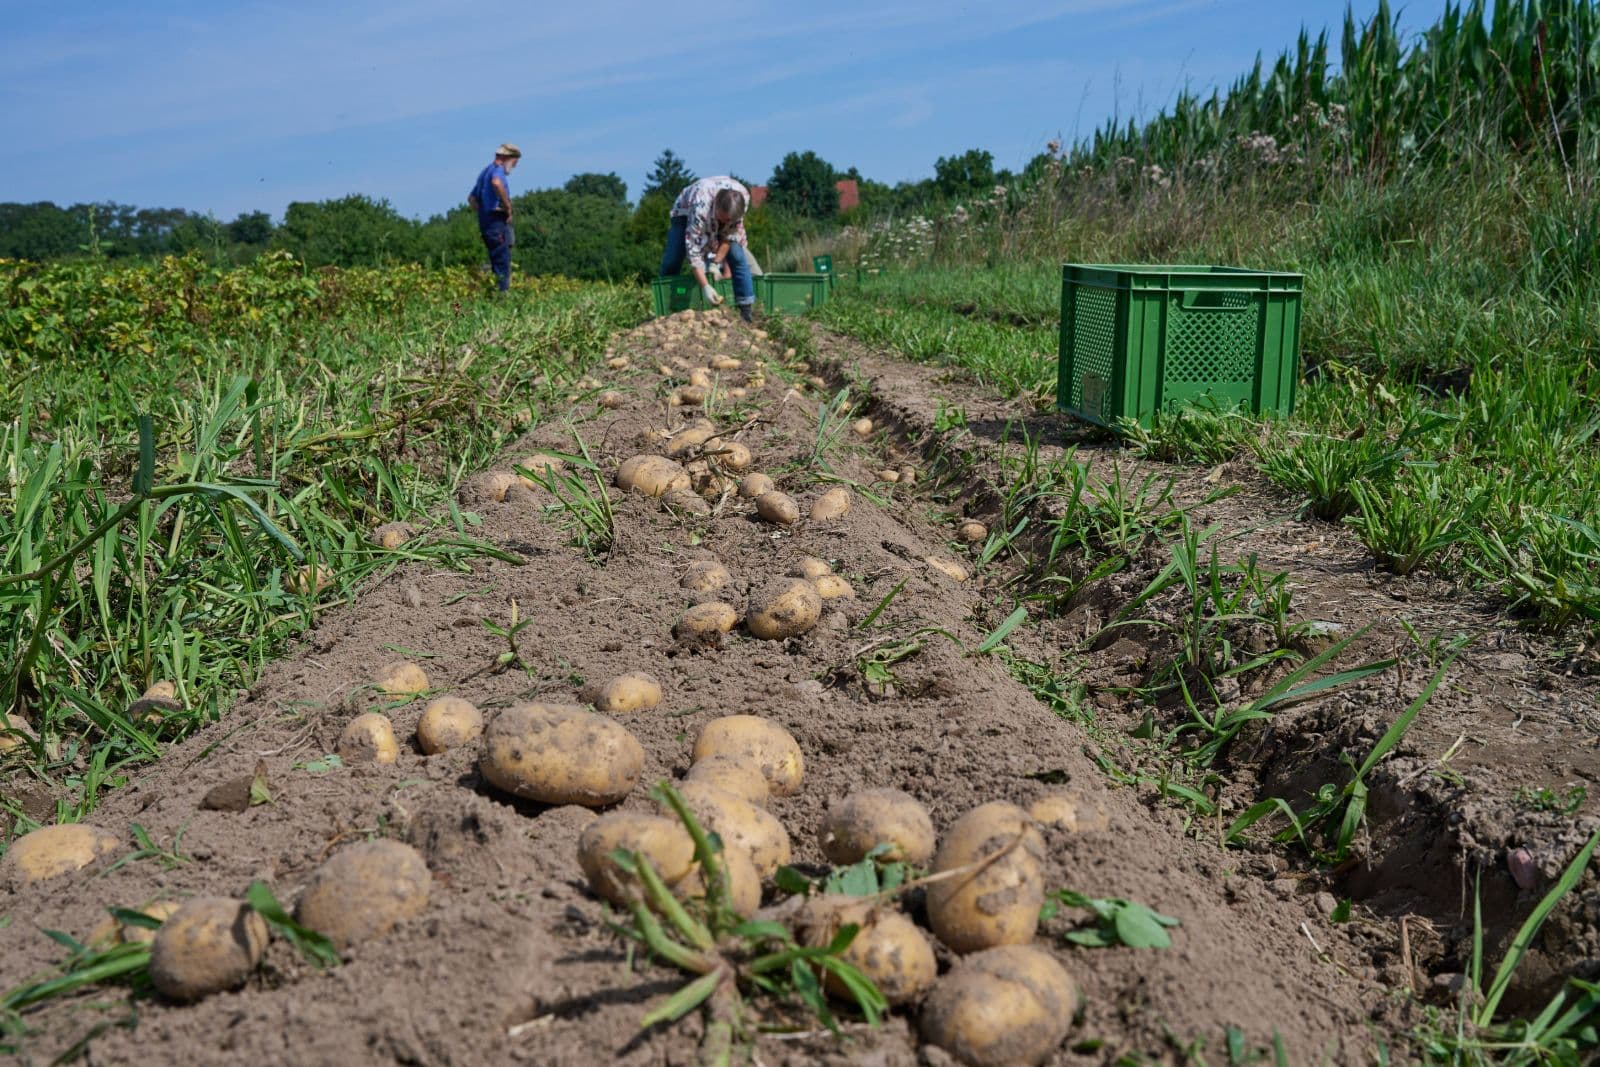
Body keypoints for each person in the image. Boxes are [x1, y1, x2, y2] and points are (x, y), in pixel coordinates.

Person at [662, 176, 756, 322]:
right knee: (673, 258)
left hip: (719, 209)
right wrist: (705, 286)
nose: (727, 223)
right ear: (716, 207)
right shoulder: (700, 208)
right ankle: (665, 304)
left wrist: (715, 264)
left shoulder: (743, 200)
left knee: (737, 255)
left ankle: (746, 311)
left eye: (731, 220)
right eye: (724, 219)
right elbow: (694, 252)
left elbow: (729, 237)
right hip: (685, 211)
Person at [468, 143, 520, 293]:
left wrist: (484, 212)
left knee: (496, 260)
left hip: (487, 223)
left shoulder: (485, 172)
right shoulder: (498, 171)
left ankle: (491, 290)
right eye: (514, 162)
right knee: (502, 263)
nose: (514, 166)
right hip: (496, 222)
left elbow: (472, 199)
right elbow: (496, 183)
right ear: (507, 158)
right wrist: (507, 206)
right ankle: (501, 297)